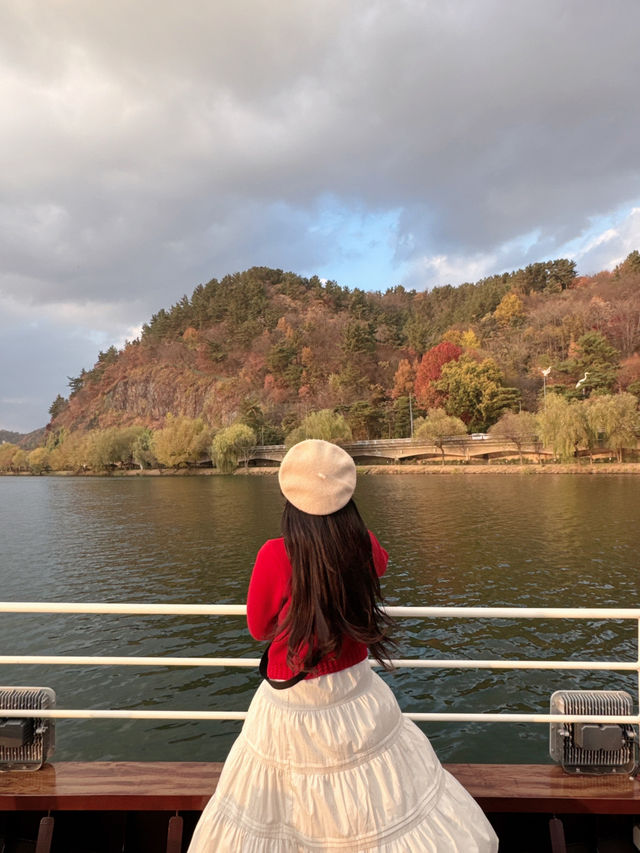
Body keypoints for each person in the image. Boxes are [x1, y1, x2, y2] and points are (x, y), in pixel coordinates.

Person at [188, 439, 498, 852]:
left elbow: (258, 627)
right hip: (356, 691)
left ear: (289, 498)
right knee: (373, 797)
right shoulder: (363, 544)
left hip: (293, 699)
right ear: (346, 496)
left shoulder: (275, 554)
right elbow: (381, 563)